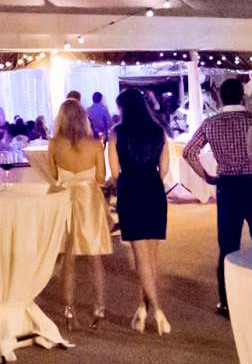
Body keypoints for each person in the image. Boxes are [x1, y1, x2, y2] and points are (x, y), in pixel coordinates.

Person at [180, 76, 252, 316]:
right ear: (243, 96)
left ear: (220, 98)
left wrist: (205, 176)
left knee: (228, 244)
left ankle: (226, 301)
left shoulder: (211, 123)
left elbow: (189, 151)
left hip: (227, 185)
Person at [46, 99, 112, 330]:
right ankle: (99, 308)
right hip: (89, 201)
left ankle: (69, 310)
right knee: (95, 258)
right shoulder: (95, 145)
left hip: (66, 200)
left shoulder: (54, 144)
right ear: (84, 118)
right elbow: (101, 178)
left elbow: (53, 174)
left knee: (69, 259)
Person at [110, 88, 171, 334]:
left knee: (140, 256)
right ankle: (142, 307)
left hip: (130, 190)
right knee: (151, 256)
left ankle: (157, 310)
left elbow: (114, 172)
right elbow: (164, 169)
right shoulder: (158, 131)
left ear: (123, 108)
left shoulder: (117, 133)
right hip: (153, 189)